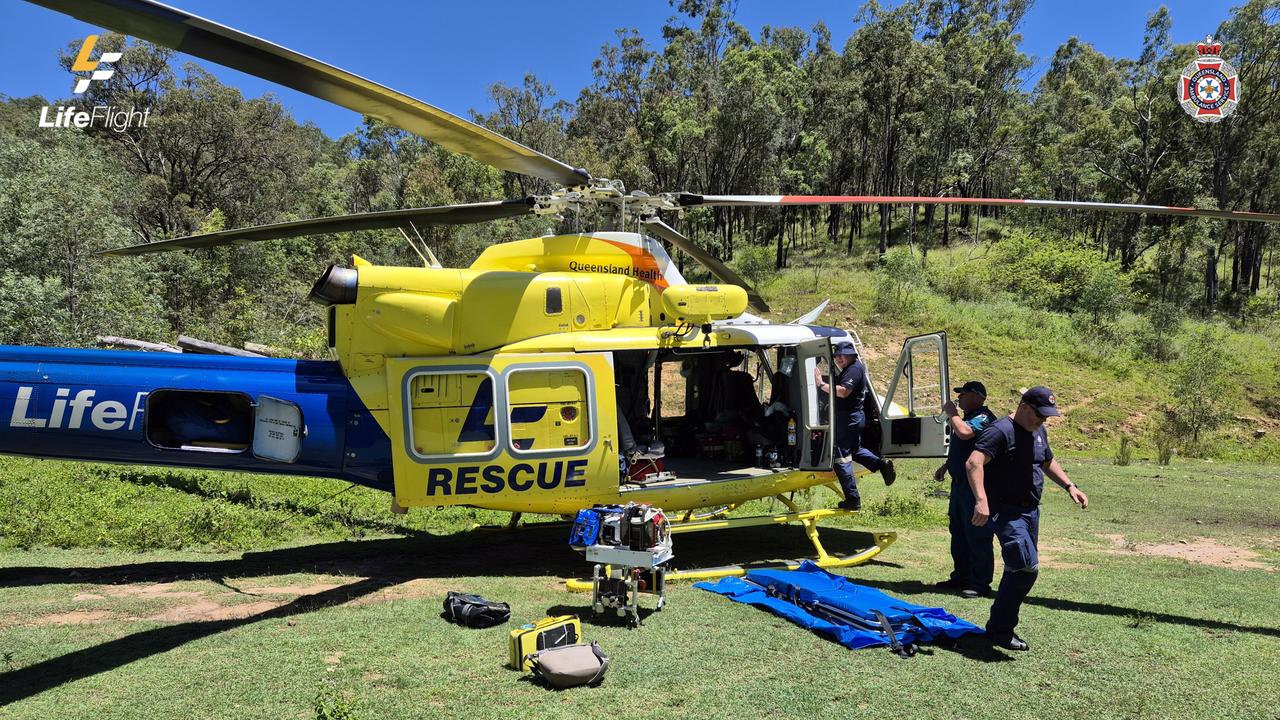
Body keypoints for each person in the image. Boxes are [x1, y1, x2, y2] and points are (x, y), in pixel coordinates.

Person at [965, 386, 1089, 651]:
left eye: (1046, 417)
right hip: (1006, 511)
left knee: (1018, 571)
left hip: (1031, 512)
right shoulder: (1000, 431)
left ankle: (999, 629)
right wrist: (981, 500)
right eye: (1039, 415)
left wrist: (1070, 486)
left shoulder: (1038, 430)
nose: (1042, 421)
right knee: (1024, 568)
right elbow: (974, 463)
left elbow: (1046, 461)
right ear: (1023, 406)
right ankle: (1000, 630)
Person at [932, 381, 998, 598]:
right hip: (959, 485)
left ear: (978, 397)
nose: (958, 399)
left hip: (974, 488)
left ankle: (979, 582)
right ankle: (960, 576)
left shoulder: (983, 417)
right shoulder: (968, 417)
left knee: (977, 534)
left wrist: (952, 413)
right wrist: (946, 466)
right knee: (958, 532)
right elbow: (963, 447)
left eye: (964, 395)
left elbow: (965, 433)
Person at [814, 341, 896, 511]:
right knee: (855, 449)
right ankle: (881, 465)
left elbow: (843, 391)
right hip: (852, 418)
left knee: (839, 457)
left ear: (852, 355)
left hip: (849, 419)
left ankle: (853, 499)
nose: (839, 358)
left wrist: (821, 385)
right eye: (836, 355)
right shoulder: (852, 368)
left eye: (842, 355)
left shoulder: (854, 370)